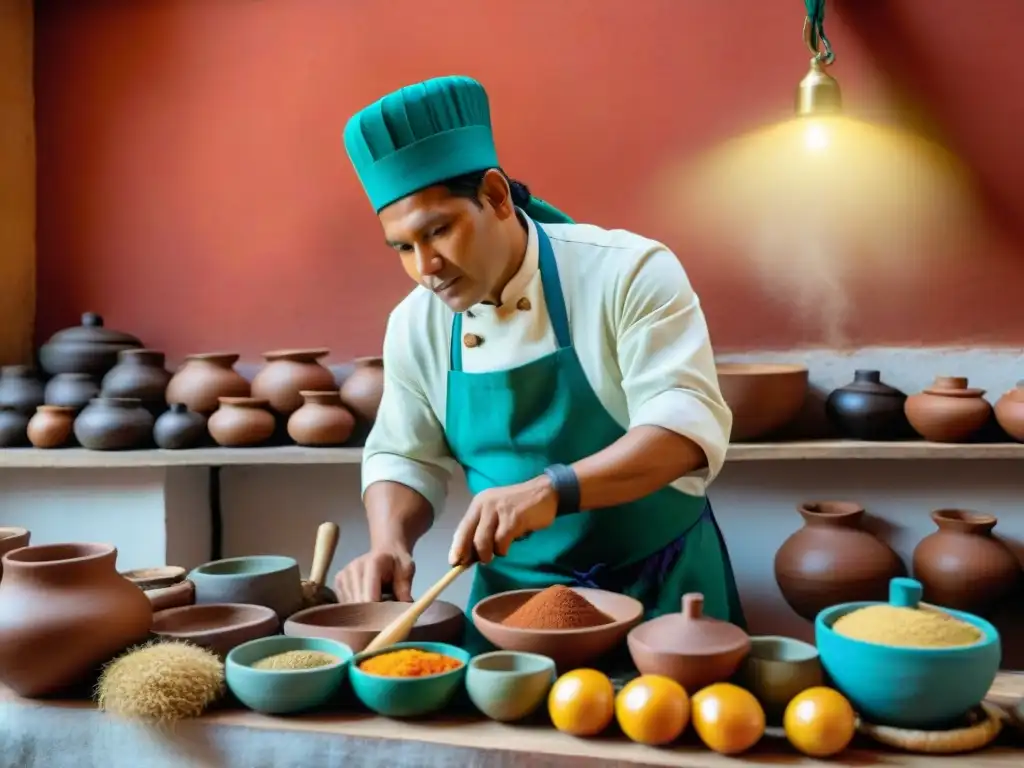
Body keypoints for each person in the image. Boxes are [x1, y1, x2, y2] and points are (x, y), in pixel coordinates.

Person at [334, 75, 744, 643]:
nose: (424, 266)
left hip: (663, 597)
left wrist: (551, 490)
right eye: (404, 247)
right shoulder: (415, 324)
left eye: (439, 231)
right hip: (512, 616)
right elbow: (405, 455)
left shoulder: (627, 272)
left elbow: (683, 429)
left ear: (497, 197)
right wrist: (388, 543)